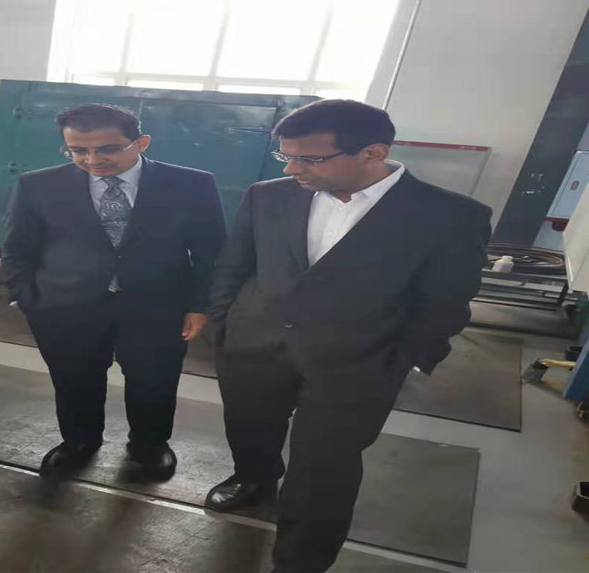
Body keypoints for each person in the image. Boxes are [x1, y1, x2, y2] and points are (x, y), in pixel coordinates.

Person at [203, 99, 491, 572]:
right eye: (285, 156)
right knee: (250, 427)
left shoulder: (450, 216)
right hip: (254, 344)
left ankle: (301, 560)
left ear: (373, 152)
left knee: (324, 469)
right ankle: (254, 478)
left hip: (359, 361)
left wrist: (404, 359)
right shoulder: (267, 195)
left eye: (310, 158)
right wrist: (223, 323)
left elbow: (446, 300)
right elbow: (235, 264)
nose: (292, 168)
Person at [3, 103, 226, 479]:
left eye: (107, 149)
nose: (93, 160)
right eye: (78, 150)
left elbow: (211, 252)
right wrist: (27, 298)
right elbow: (17, 248)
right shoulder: (37, 184)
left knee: (154, 380)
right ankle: (79, 441)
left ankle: (150, 445)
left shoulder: (191, 184)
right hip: (65, 306)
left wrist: (200, 305)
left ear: (141, 142)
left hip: (157, 306)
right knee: (74, 379)